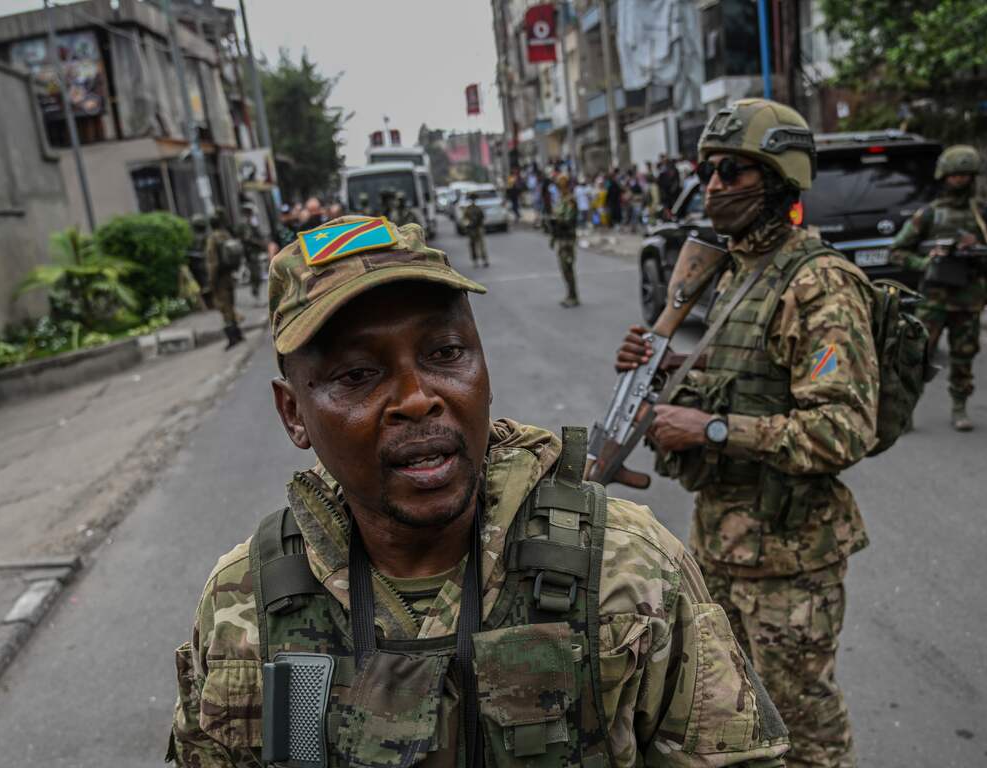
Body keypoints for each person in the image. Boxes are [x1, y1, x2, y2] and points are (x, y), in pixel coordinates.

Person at [167, 215, 790, 767]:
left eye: (446, 352)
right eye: (358, 374)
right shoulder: (242, 602)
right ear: (293, 413)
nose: (417, 398)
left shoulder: (630, 568)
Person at [616, 99, 878, 768]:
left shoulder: (820, 285)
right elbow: (747, 378)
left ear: (777, 178)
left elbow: (844, 428)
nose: (713, 186)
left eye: (733, 172)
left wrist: (710, 427)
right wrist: (668, 369)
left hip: (790, 559)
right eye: (710, 171)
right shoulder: (737, 271)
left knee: (805, 733)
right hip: (722, 545)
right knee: (730, 720)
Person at [890, 144, 987, 431]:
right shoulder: (929, 215)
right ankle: (906, 411)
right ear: (944, 177)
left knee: (963, 356)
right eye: (955, 175)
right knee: (919, 356)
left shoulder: (984, 214)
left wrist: (978, 249)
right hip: (934, 300)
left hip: (968, 299)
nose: (960, 181)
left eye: (965, 175)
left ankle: (959, 407)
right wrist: (926, 262)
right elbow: (897, 252)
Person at [204, 209, 245, 349]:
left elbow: (212, 262)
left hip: (220, 279)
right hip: (229, 275)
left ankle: (233, 337)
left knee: (224, 307)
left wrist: (211, 280)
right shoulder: (226, 235)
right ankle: (238, 333)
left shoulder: (212, 238)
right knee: (231, 304)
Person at [551, 174, 580, 307]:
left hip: (567, 239)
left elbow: (568, 220)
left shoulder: (570, 200)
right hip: (560, 238)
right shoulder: (561, 200)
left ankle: (573, 296)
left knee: (568, 268)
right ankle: (569, 294)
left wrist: (556, 221)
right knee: (564, 269)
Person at [237, 202, 267, 302]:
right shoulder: (244, 224)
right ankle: (256, 294)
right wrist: (259, 243)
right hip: (250, 253)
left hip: (254, 252)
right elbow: (247, 238)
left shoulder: (251, 223)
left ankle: (256, 293)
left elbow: (257, 234)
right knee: (255, 274)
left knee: (257, 273)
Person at [187, 213, 212, 309]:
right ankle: (205, 304)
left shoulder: (205, 236)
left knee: (206, 283)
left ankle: (210, 303)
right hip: (194, 262)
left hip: (202, 262)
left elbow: (207, 249)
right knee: (200, 284)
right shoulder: (192, 235)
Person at [461, 192, 488, 267]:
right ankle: (476, 260)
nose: (473, 200)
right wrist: (468, 225)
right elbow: (465, 219)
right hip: (472, 229)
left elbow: (482, 218)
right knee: (473, 245)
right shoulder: (468, 209)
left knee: (481, 245)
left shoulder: (477, 208)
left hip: (478, 228)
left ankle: (484, 260)